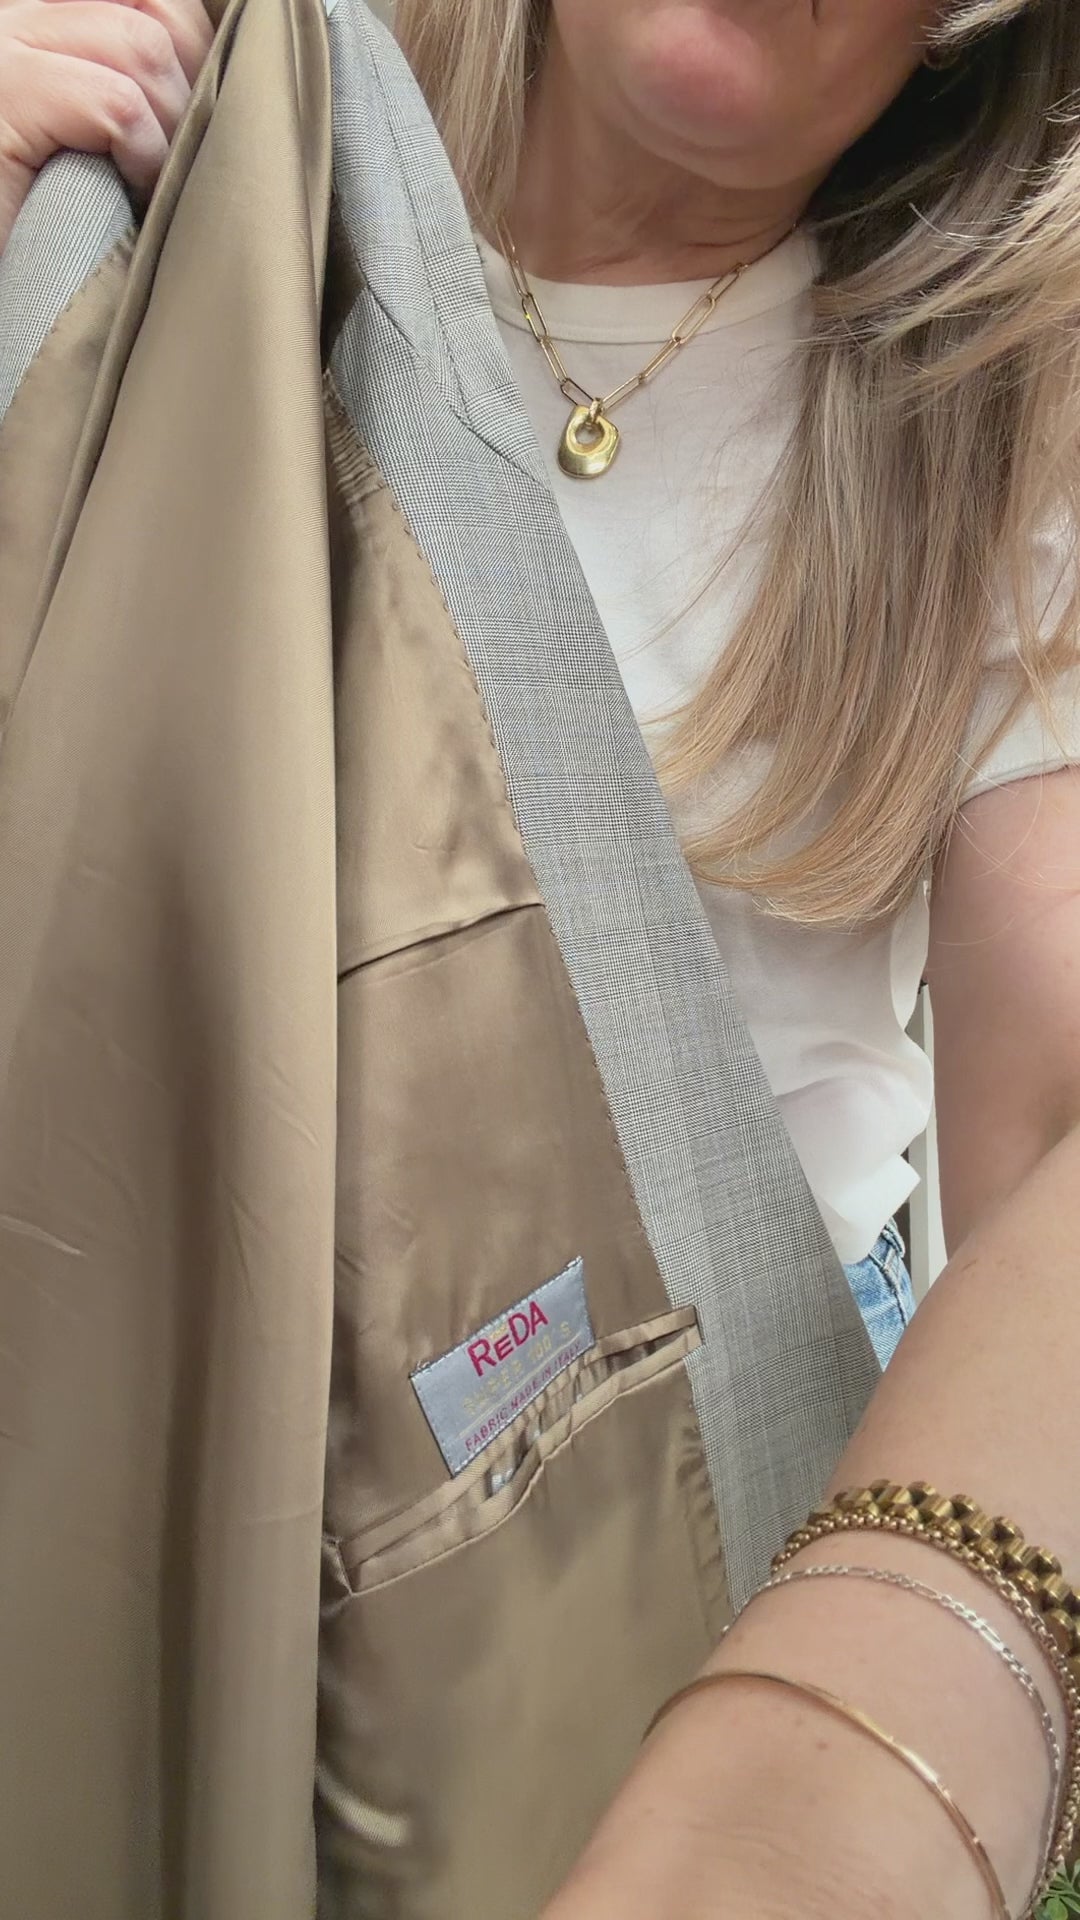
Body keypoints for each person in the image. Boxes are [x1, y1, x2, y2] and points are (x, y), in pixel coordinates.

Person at [0, 0, 1079, 1915]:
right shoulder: (219, 156)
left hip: (688, 1455)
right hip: (151, 1321)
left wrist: (887, 1708)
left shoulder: (994, 417)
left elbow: (1052, 1140)